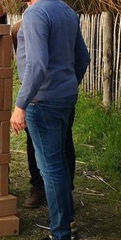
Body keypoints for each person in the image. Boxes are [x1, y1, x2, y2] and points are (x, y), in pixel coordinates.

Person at [10, 0, 89, 240]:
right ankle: (67, 222)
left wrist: (21, 105)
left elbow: (37, 65)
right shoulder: (67, 11)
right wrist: (67, 85)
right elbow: (83, 58)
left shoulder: (35, 14)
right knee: (60, 164)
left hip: (42, 103)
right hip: (65, 99)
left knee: (51, 169)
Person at [11, 20, 77, 210]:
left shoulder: (62, 22)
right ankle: (39, 187)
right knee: (34, 143)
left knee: (63, 144)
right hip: (37, 95)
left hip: (55, 95)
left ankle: (65, 194)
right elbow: (25, 64)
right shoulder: (19, 28)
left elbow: (38, 65)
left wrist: (69, 86)